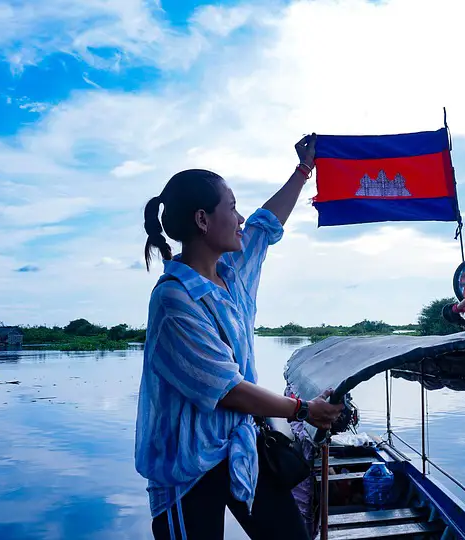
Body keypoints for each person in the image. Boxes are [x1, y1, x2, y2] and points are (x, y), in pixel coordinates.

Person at [134, 134, 342, 540]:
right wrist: (302, 409)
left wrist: (304, 169)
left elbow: (266, 223)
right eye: (231, 208)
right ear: (202, 220)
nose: (240, 217)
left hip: (238, 444)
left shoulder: (231, 270)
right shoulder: (174, 300)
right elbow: (228, 390)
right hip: (186, 465)